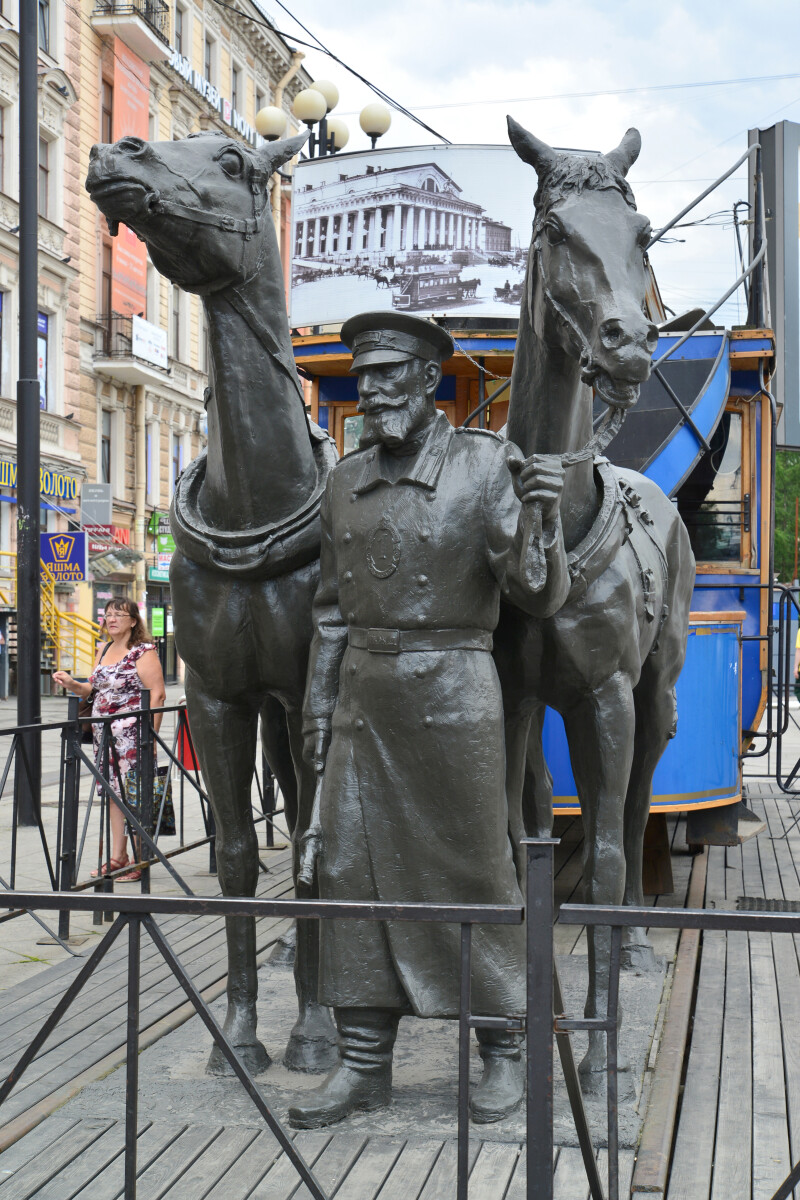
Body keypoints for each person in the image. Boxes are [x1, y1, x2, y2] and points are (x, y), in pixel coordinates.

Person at [290, 311, 570, 1130]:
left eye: (388, 373)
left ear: (427, 379)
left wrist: (544, 520)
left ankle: (503, 1049)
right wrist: (316, 717)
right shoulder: (344, 480)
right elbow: (331, 614)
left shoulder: (484, 468)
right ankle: (364, 1065)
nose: (372, 390)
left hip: (455, 698)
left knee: (474, 872)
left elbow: (535, 595)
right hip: (363, 709)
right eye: (363, 374)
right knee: (348, 873)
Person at [53, 597, 166, 882]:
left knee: (135, 795)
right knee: (113, 794)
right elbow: (93, 689)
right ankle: (118, 858)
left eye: (119, 614)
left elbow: (158, 694)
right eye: (108, 614)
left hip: (132, 737)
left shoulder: (143, 651)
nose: (111, 619)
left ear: (133, 621)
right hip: (105, 736)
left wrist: (149, 736)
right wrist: (72, 684)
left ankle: (141, 860)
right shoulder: (103, 649)